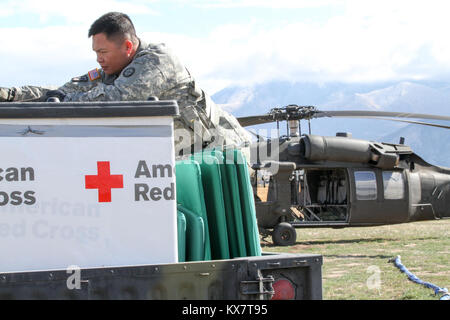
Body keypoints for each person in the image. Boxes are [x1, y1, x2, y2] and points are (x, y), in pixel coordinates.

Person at [0, 12, 251, 155]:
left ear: (128, 46)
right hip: (191, 158)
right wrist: (10, 95)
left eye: (103, 52)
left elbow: (115, 99)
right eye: (96, 53)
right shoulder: (113, 70)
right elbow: (61, 93)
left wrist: (61, 102)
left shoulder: (156, 61)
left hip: (225, 154)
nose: (99, 59)